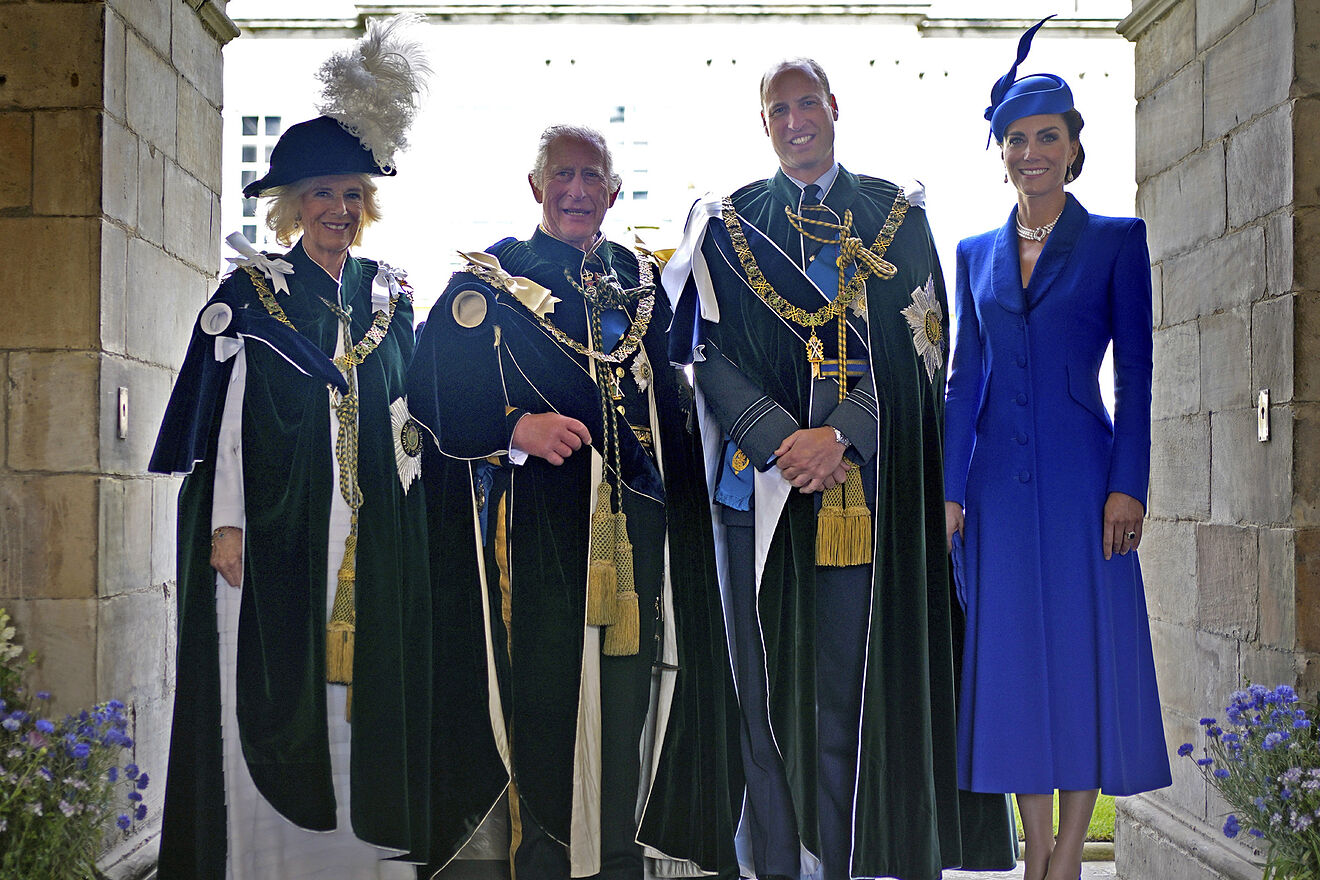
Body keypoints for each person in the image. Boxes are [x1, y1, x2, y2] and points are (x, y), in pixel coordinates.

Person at [662, 59, 1013, 880]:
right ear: (764, 123)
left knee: (850, 692)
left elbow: (927, 352)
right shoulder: (726, 222)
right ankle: (775, 865)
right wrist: (782, 438)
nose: (795, 121)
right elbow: (701, 355)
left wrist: (842, 438)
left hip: (867, 499)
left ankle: (856, 862)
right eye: (777, 109)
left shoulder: (897, 216)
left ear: (834, 108)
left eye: (807, 103)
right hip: (757, 493)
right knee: (764, 693)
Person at [407, 124, 740, 880]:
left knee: (634, 698)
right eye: (564, 175)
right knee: (550, 701)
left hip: (645, 533)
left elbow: (680, 394)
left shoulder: (642, 277)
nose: (579, 191)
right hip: (541, 537)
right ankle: (549, 858)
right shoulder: (491, 279)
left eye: (595, 178)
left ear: (615, 194)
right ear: (535, 186)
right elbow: (428, 389)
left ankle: (621, 856)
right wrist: (514, 425)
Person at [148, 17, 434, 879]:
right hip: (274, 537)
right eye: (320, 196)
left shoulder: (393, 296)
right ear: (290, 206)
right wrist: (225, 525)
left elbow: (408, 411)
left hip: (369, 534)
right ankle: (261, 861)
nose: (338, 212)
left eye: (351, 195)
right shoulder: (251, 295)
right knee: (274, 691)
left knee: (361, 697)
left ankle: (363, 859)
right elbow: (224, 422)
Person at [942, 18, 1172, 880]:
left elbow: (1138, 378)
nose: (1031, 152)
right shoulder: (973, 255)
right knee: (1009, 665)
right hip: (995, 487)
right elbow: (966, 380)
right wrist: (951, 488)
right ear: (999, 152)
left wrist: (1130, 486)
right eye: (1017, 139)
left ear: (1075, 149)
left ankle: (1071, 851)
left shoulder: (1117, 241)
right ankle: (1033, 843)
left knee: (1080, 658)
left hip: (1086, 485)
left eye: (1048, 137)